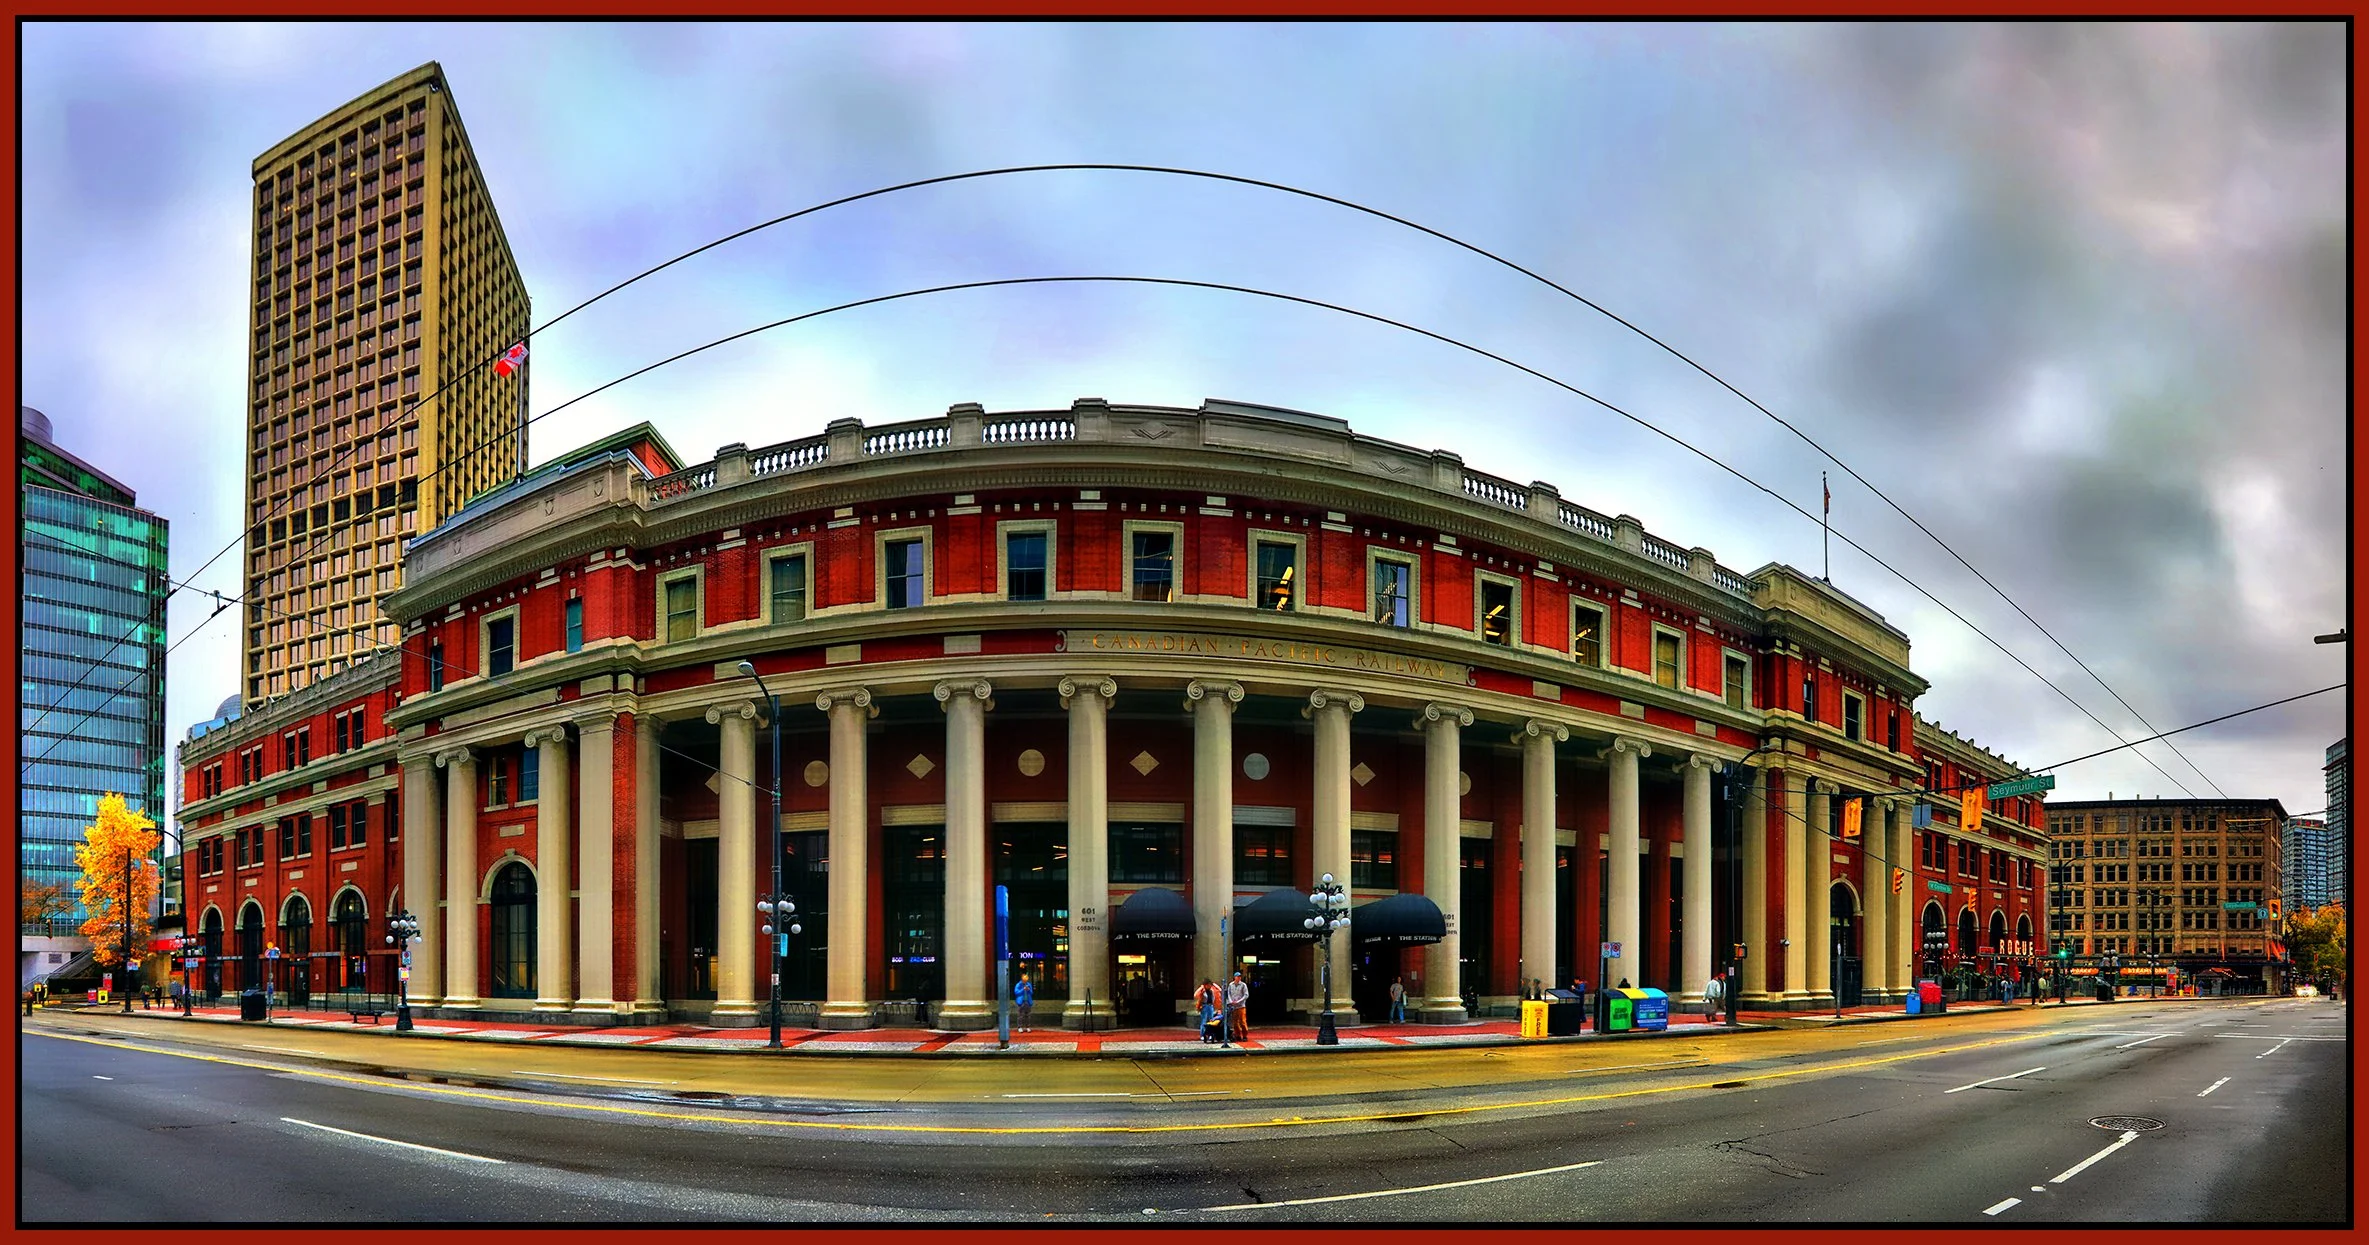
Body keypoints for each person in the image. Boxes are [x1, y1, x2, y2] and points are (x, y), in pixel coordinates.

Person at [1224, 972, 1251, 1042]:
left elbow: (1246, 995)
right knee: (1235, 1022)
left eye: (1239, 977)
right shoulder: (1231, 985)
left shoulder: (1243, 985)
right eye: (1237, 977)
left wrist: (1239, 1001)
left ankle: (1245, 1035)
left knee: (1242, 1021)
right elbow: (1229, 994)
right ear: (1234, 977)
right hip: (1234, 1006)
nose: (1239, 978)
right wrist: (1230, 1001)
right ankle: (1238, 1035)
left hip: (1241, 1006)